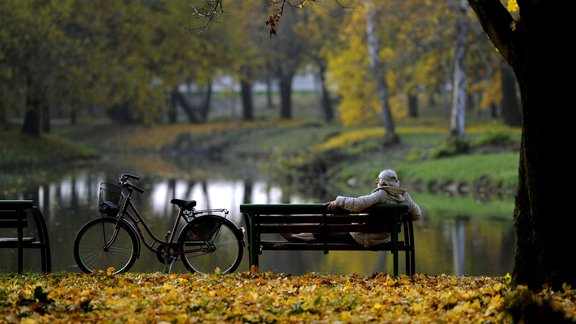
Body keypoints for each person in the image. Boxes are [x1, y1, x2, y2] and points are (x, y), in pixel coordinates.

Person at [290, 169, 421, 247]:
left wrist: (338, 201)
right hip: (384, 238)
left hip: (365, 238)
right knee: (336, 222)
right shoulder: (405, 196)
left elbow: (358, 204)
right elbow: (417, 214)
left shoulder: (381, 194)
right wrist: (399, 217)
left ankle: (299, 237)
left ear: (381, 182)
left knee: (327, 229)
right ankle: (303, 236)